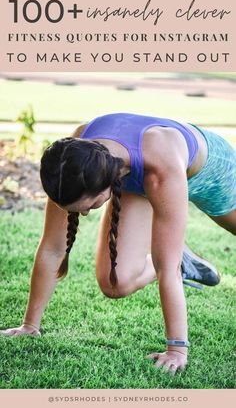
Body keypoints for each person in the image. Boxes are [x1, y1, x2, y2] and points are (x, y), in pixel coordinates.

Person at [1, 112, 235, 376]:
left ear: (106, 185)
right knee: (116, 282)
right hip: (139, 175)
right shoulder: (72, 161)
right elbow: (52, 248)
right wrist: (29, 325)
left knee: (169, 260)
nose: (86, 213)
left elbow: (165, 270)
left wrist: (177, 349)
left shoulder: (160, 167)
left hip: (209, 173)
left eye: (89, 206)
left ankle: (175, 253)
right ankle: (184, 259)